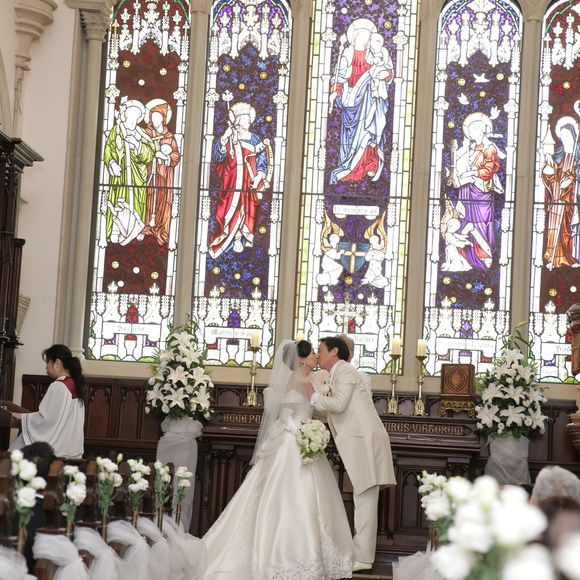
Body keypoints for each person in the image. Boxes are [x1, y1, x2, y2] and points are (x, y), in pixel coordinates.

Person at [203, 340, 353, 580]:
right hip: (292, 443)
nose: (316, 356)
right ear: (301, 359)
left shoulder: (306, 380)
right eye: (312, 353)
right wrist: (303, 433)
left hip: (301, 440)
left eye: (317, 352)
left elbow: (313, 409)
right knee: (291, 495)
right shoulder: (298, 381)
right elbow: (287, 415)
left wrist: (311, 429)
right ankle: (286, 556)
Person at [311, 336, 396, 572]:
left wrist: (312, 396)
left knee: (365, 498)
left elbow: (339, 405)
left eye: (321, 350)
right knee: (363, 497)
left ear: (334, 352)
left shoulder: (345, 370)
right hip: (359, 440)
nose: (318, 354)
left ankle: (364, 557)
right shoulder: (338, 372)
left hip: (364, 441)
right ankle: (361, 555)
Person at [329, 19, 393, 184]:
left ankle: (369, 165)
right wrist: (334, 92)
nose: (363, 40)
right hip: (350, 100)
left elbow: (388, 71)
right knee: (349, 138)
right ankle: (347, 165)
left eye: (366, 37)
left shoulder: (376, 53)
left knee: (369, 132)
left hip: (369, 100)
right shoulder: (346, 54)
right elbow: (339, 77)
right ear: (354, 37)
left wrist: (384, 74)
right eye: (360, 37)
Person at [208, 102, 273, 258]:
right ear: (237, 121)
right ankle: (231, 237)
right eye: (242, 119)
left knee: (247, 209)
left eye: (247, 119)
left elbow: (262, 160)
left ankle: (243, 236)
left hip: (249, 182)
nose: (245, 122)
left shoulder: (255, 139)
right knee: (230, 209)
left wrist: (260, 176)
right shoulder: (230, 137)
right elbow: (218, 157)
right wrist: (224, 139)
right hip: (231, 181)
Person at [10, 345, 86, 459]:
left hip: (56, 451)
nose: (46, 366)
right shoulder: (76, 385)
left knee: (12, 455)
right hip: (71, 451)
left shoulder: (58, 386)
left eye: (47, 362)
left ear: (57, 363)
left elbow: (46, 420)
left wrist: (23, 417)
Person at [451, 112, 504, 269]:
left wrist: (472, 173)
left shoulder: (490, 148)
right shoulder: (471, 148)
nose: (471, 134)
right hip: (467, 189)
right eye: (470, 131)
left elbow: (490, 168)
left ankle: (484, 253)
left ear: (481, 131)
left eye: (474, 130)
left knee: (482, 220)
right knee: (467, 218)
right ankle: (469, 254)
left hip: (482, 191)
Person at [104, 97, 156, 245]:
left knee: (137, 201)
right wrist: (112, 163)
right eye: (131, 114)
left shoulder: (142, 134)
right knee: (119, 201)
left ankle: (136, 228)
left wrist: (137, 146)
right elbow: (108, 149)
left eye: (136, 115)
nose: (133, 118)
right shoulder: (117, 131)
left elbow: (150, 153)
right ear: (125, 114)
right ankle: (116, 230)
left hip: (138, 176)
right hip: (120, 176)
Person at [542, 116, 580, 270]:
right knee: (553, 229)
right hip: (556, 199)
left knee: (565, 230)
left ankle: (566, 257)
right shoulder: (558, 156)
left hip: (569, 200)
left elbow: (576, 176)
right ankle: (551, 256)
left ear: (573, 136)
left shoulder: (577, 158)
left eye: (567, 135)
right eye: (562, 136)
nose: (564, 139)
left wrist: (571, 179)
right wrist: (548, 173)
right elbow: (551, 178)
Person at [141, 99, 181, 246]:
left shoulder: (169, 137)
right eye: (153, 117)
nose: (155, 121)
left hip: (164, 177)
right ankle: (146, 227)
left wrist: (165, 157)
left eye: (158, 118)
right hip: (148, 174)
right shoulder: (145, 135)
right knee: (148, 198)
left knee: (163, 201)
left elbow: (176, 156)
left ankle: (160, 229)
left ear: (164, 119)